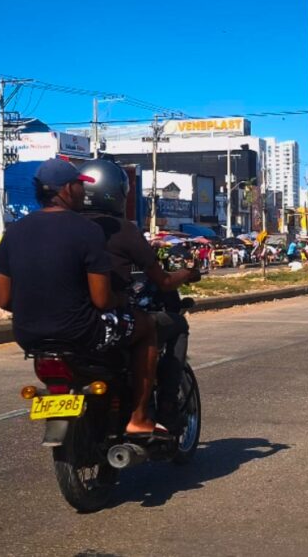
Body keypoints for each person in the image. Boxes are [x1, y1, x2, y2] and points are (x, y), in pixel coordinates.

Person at [0, 159, 159, 438]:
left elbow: (4, 300)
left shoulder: (15, 232)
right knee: (147, 328)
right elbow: (101, 300)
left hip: (28, 336)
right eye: (79, 185)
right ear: (66, 189)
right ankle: (140, 417)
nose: (84, 192)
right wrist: (121, 298)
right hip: (82, 333)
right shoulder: (87, 230)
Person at [77, 158, 202, 425]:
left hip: (68, 321)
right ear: (115, 194)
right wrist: (188, 274)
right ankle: (160, 407)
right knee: (174, 325)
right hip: (107, 318)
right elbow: (164, 281)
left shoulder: (67, 228)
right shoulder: (122, 230)